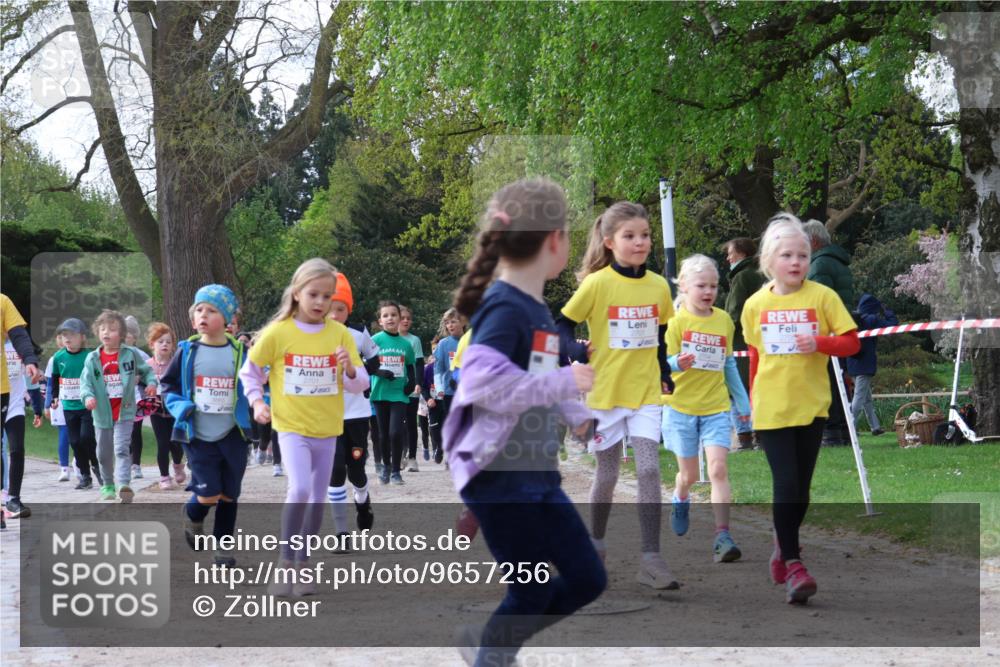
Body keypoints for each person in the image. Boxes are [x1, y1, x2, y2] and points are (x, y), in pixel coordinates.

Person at [445, 178, 604, 666]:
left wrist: (578, 415)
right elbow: (484, 385)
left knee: (586, 580)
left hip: (533, 471)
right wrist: (566, 385)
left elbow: (541, 373)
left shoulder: (534, 308)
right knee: (530, 591)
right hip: (496, 475)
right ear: (554, 240)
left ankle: (492, 646)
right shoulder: (503, 307)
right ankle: (492, 653)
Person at [741, 213, 859, 604]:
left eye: (802, 255)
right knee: (786, 484)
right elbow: (755, 357)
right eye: (787, 255)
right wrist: (751, 404)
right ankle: (793, 563)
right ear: (769, 261)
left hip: (812, 406)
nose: (796, 262)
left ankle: (781, 542)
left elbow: (851, 342)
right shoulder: (755, 305)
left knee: (802, 492)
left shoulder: (823, 297)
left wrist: (820, 342)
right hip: (772, 408)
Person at [559, 201, 677, 590]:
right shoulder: (597, 284)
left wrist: (663, 372)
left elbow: (659, 336)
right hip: (604, 393)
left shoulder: (659, 285)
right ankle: (594, 543)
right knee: (607, 475)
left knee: (648, 469)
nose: (640, 242)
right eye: (630, 236)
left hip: (644, 391)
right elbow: (560, 325)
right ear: (610, 242)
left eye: (645, 235)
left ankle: (651, 557)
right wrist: (575, 352)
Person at [240, 261, 366, 591]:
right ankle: (285, 563)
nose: (321, 302)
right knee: (299, 490)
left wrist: (349, 369)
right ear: (296, 294)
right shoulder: (278, 332)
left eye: (327, 296)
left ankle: (304, 563)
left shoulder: (339, 334)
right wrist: (256, 402)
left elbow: (360, 382)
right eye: (314, 294)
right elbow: (249, 372)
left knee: (317, 499)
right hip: (292, 427)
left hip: (327, 430)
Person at [663, 255, 750, 563]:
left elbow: (729, 365)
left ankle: (722, 536)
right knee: (688, 474)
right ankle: (680, 496)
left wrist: (743, 404)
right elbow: (661, 365)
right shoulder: (674, 323)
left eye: (714, 285)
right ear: (684, 287)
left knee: (717, 469)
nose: (709, 291)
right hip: (680, 408)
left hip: (715, 406)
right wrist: (676, 363)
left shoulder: (724, 321)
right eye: (701, 285)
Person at [163, 285, 251, 567]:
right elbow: (168, 386)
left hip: (233, 434)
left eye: (211, 310)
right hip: (199, 434)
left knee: (229, 494)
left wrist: (262, 406)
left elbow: (256, 384)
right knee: (209, 492)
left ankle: (223, 548)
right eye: (199, 310)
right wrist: (181, 408)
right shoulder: (188, 351)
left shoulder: (239, 353)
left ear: (226, 319)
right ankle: (194, 514)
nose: (203, 315)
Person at [80, 310, 158, 503]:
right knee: (103, 452)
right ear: (97, 332)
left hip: (125, 410)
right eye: (103, 328)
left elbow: (147, 371)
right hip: (102, 413)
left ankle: (124, 484)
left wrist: (151, 383)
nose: (106, 332)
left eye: (112, 329)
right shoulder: (92, 358)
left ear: (122, 334)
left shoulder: (130, 354)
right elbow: (85, 383)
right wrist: (88, 397)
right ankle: (108, 485)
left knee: (122, 448)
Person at [326, 272, 378, 538]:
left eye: (340, 308)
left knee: (356, 469)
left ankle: (362, 500)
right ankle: (341, 531)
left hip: (356, 413)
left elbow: (375, 359)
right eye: (329, 308)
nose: (334, 314)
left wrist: (358, 370)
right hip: (326, 416)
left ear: (349, 309)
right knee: (334, 469)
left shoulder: (358, 332)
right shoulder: (311, 334)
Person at [803, 219, 855, 447]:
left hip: (826, 332)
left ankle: (832, 430)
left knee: (828, 382)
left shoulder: (819, 265)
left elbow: (816, 303)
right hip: (840, 329)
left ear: (812, 240)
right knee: (839, 380)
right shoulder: (838, 262)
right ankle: (842, 428)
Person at [722, 237, 767, 450]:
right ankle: (760, 433)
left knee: (737, 389)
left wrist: (722, 333)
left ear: (741, 253)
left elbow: (734, 312)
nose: (728, 257)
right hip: (761, 340)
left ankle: (745, 437)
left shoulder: (741, 277)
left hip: (740, 341)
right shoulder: (762, 274)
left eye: (730, 253)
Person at [0, 294, 42, 522]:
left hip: (8, 396)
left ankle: (12, 498)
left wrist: (30, 360)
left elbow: (20, 336)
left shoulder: (3, 302)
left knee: (16, 449)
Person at [50, 318, 101, 490]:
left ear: (82, 337)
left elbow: (98, 377)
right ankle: (85, 476)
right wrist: (54, 397)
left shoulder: (90, 356)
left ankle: (96, 465)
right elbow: (55, 378)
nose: (67, 339)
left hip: (87, 405)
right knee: (74, 441)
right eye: (64, 335)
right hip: (69, 406)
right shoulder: (58, 357)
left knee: (87, 437)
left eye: (71, 335)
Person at [370, 301, 416, 485]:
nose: (390, 318)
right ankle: (386, 467)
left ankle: (397, 471)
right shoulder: (375, 341)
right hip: (380, 393)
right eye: (386, 315)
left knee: (396, 432)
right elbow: (366, 364)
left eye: (393, 315)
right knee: (383, 434)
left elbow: (411, 366)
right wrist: (379, 372)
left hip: (398, 394)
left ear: (399, 318)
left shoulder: (406, 344)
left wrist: (411, 383)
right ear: (380, 321)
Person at [847, 294, 898, 436]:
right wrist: (887, 311)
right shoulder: (871, 319)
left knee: (866, 398)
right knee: (859, 397)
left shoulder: (854, 320)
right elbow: (892, 326)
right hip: (865, 365)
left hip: (852, 363)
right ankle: (850, 427)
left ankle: (875, 427)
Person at [146, 322, 186, 489]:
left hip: (174, 409)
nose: (165, 345)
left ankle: (178, 464)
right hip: (155, 409)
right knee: (162, 443)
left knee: (175, 443)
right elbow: (140, 385)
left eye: (168, 342)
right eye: (160, 341)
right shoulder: (147, 365)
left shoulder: (176, 363)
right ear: (152, 344)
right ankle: (164, 477)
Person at [398, 306, 425, 472]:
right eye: (403, 318)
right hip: (394, 388)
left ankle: (413, 459)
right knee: (397, 424)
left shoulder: (414, 340)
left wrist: (418, 382)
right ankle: (399, 455)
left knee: (410, 425)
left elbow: (420, 364)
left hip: (412, 387)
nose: (406, 320)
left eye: (409, 318)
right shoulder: (387, 339)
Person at [43, 332, 72, 482]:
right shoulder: (54, 359)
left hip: (78, 401)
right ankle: (64, 468)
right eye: (62, 336)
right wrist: (47, 405)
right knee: (64, 433)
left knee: (80, 435)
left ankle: (79, 462)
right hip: (60, 401)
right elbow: (49, 384)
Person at [124, 315, 150, 479]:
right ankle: (124, 462)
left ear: (134, 337)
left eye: (127, 335)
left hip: (137, 399)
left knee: (135, 432)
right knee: (122, 433)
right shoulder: (113, 354)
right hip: (118, 400)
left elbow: (151, 377)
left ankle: (136, 464)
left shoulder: (142, 356)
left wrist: (141, 379)